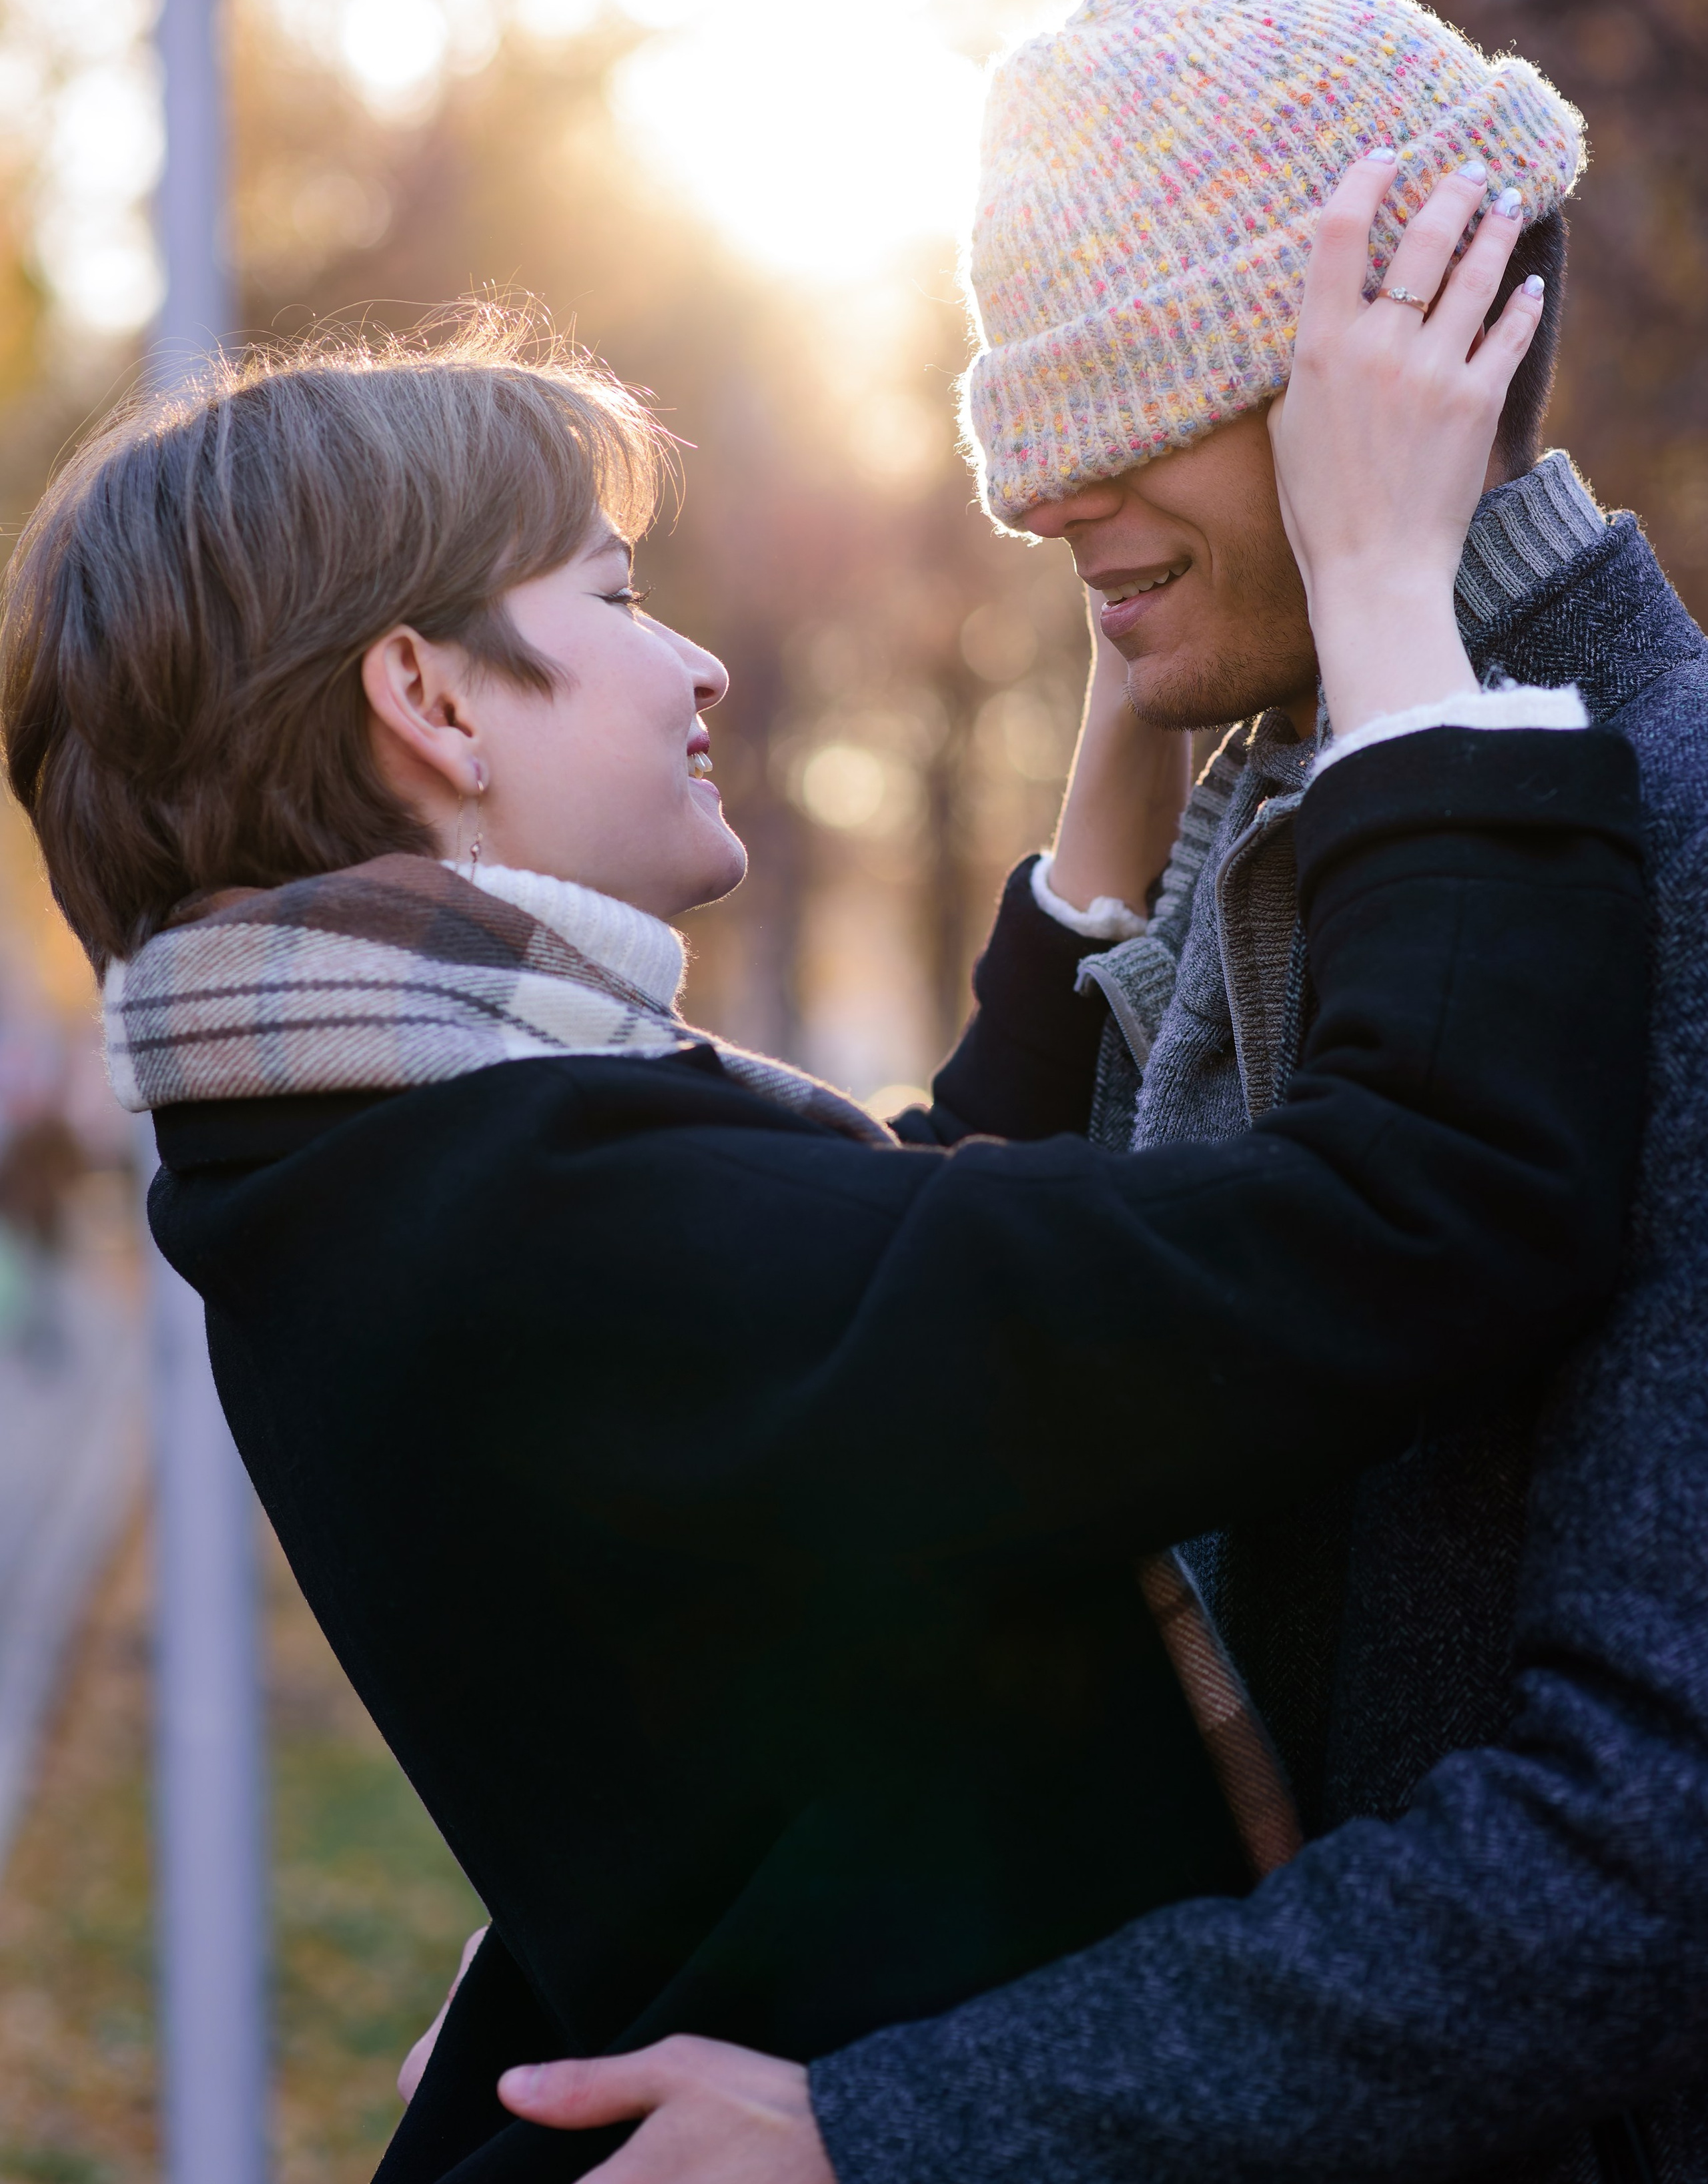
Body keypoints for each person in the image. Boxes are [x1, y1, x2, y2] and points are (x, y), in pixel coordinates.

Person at [0, 163, 1645, 2183]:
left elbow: (901, 1287)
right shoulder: (540, 1220)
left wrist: (1116, 750)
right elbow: (1429, 1201)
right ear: (427, 699)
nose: (695, 666)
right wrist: (1390, 598)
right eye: (612, 600)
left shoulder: (348, 1158)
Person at [501, 0, 1708, 2184]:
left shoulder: (1675, 832)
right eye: (1023, 424)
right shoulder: (1273, 815)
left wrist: (894, 2132)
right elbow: (988, 1323)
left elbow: (1644, 1846)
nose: (1041, 493)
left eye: (1129, 398)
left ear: (1396, 372)